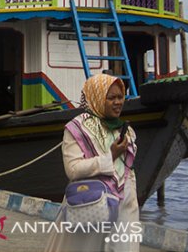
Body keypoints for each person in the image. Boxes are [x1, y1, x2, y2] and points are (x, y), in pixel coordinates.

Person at [45, 73, 139, 252]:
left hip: (125, 205)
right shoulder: (77, 128)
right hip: (91, 203)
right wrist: (109, 156)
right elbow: (73, 170)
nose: (118, 102)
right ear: (97, 98)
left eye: (121, 97)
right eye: (111, 98)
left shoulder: (127, 130)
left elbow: (128, 170)